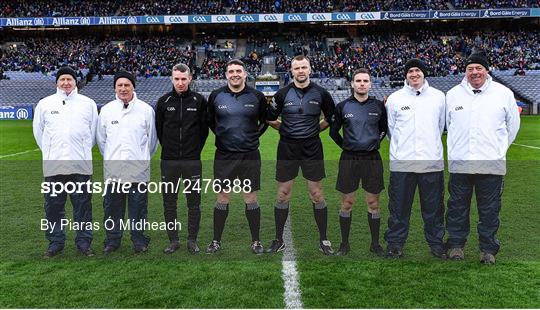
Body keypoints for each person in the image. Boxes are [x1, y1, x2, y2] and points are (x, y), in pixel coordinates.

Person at [445, 52, 520, 265]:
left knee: (489, 210)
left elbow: (512, 127)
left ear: (487, 70)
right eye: (470, 69)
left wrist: (498, 150)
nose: (475, 72)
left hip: (491, 164)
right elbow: (450, 126)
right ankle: (456, 246)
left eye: (479, 68)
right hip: (460, 164)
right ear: (465, 71)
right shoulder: (453, 94)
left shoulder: (503, 93)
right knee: (457, 208)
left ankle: (488, 250)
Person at [266, 55, 336, 255]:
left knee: (316, 194)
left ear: (310, 69)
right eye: (297, 68)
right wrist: (284, 128)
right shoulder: (282, 94)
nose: (301, 71)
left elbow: (331, 117)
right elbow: (269, 117)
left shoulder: (321, 93)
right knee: (282, 194)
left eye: (304, 67)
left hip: (312, 147)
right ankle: (279, 239)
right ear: (291, 71)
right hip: (287, 147)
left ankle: (324, 239)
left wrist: (316, 129)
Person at [384, 59, 447, 259]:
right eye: (410, 71)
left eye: (417, 70)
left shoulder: (439, 97)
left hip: (431, 163)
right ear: (405, 75)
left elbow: (441, 126)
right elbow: (391, 130)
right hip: (403, 164)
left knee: (434, 208)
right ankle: (395, 244)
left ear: (424, 73)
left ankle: (436, 244)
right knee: (398, 208)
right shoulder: (394, 99)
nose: (414, 74)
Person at [33, 66, 98, 257]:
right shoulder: (45, 104)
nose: (66, 83)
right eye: (62, 80)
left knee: (83, 206)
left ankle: (84, 242)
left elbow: (93, 134)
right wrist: (51, 152)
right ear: (57, 82)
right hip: (54, 166)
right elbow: (39, 133)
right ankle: (55, 242)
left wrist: (82, 151)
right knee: (53, 206)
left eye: (69, 79)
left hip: (81, 165)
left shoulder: (88, 103)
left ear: (75, 81)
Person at [206, 59, 268, 254]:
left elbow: (265, 121)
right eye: (231, 71)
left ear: (245, 74)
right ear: (226, 74)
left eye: (238, 71)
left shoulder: (257, 96)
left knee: (250, 197)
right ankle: (216, 241)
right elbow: (210, 121)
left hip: (249, 155)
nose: (235, 74)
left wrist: (253, 136)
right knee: (223, 197)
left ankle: (256, 241)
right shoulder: (216, 96)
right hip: (224, 156)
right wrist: (223, 137)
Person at [97, 70, 157, 254]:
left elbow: (152, 141)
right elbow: (101, 140)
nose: (123, 88)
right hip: (113, 172)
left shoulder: (146, 110)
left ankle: (139, 240)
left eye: (127, 85)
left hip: (138, 171)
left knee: (138, 209)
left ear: (133, 86)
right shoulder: (106, 110)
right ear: (115, 87)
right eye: (119, 85)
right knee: (112, 208)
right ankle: (112, 240)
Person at [329, 68, 387, 256]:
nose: (362, 84)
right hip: (349, 159)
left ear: (370, 84)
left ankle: (375, 244)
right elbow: (333, 132)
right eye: (358, 81)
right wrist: (346, 146)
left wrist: (374, 142)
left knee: (373, 203)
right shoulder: (342, 106)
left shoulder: (378, 106)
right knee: (347, 203)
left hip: (372, 159)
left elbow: (384, 129)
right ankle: (344, 244)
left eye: (365, 81)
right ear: (352, 84)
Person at [155, 64, 208, 254]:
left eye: (183, 79)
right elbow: (159, 131)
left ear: (190, 78)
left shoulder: (199, 101)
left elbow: (203, 131)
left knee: (193, 202)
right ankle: (174, 241)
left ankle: (192, 240)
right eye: (176, 79)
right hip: (168, 162)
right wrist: (170, 150)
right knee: (169, 202)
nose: (180, 82)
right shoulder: (163, 101)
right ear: (171, 79)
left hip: (192, 161)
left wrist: (192, 151)